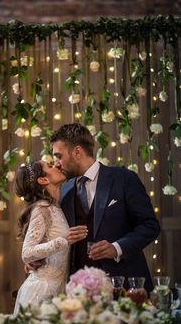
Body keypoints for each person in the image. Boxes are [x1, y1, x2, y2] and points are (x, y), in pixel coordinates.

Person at [50, 123, 160, 293]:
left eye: (59, 156)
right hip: (79, 290)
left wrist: (116, 248)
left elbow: (150, 225)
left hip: (124, 285)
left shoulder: (123, 178)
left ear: (77, 152)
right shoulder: (63, 189)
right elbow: (57, 233)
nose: (56, 163)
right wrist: (40, 259)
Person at [13, 160, 87, 316]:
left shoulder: (56, 206)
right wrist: (64, 240)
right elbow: (27, 253)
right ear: (43, 180)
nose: (57, 165)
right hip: (41, 294)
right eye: (50, 166)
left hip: (59, 292)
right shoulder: (42, 208)